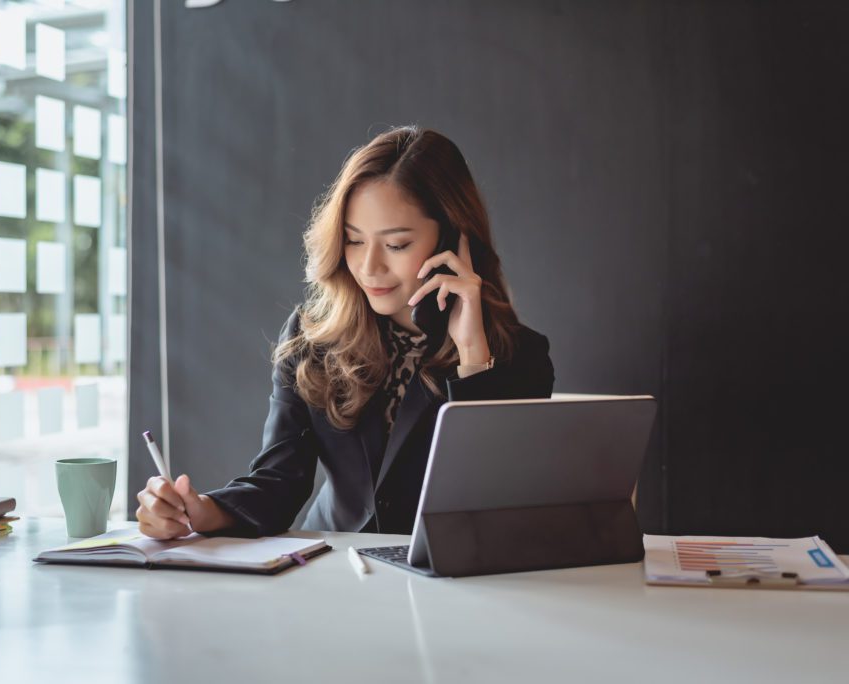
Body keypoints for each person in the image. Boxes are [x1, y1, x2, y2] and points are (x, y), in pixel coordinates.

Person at [136, 126, 554, 539]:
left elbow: (494, 506)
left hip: (447, 587)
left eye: (396, 245)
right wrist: (200, 511)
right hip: (334, 574)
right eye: (354, 241)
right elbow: (278, 481)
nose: (369, 267)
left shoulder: (521, 355)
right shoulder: (312, 336)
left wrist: (471, 357)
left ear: (452, 240)